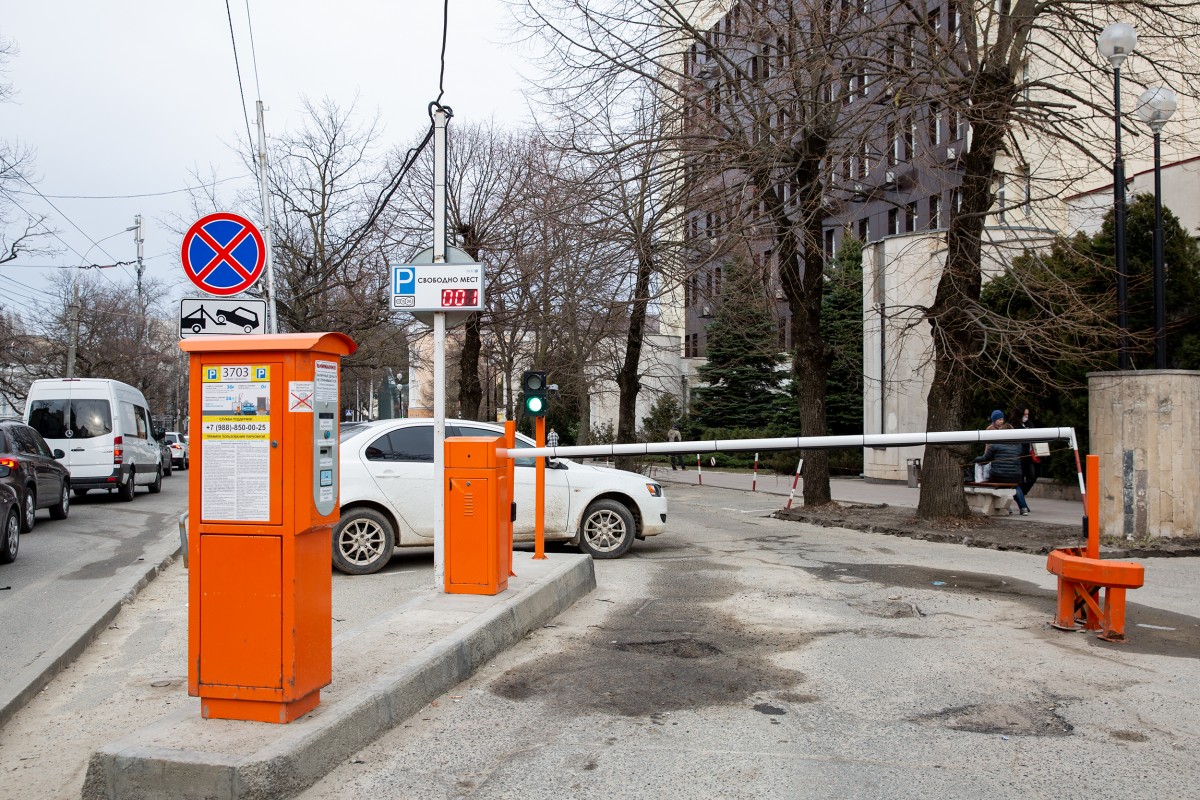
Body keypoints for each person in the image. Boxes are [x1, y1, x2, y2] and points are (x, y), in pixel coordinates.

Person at [974, 433, 1031, 515]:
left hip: (998, 475)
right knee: (1015, 486)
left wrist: (976, 459)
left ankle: (1006, 507)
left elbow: (985, 459)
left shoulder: (994, 445)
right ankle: (1023, 508)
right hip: (1015, 476)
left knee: (999, 483)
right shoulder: (1018, 446)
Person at [1010, 405, 1038, 495]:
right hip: (1018, 456)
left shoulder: (1029, 424)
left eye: (1027, 414)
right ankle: (1020, 497)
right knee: (1020, 479)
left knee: (1032, 477)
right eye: (1025, 414)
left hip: (1029, 455)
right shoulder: (1013, 425)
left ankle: (1021, 494)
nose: (1026, 416)